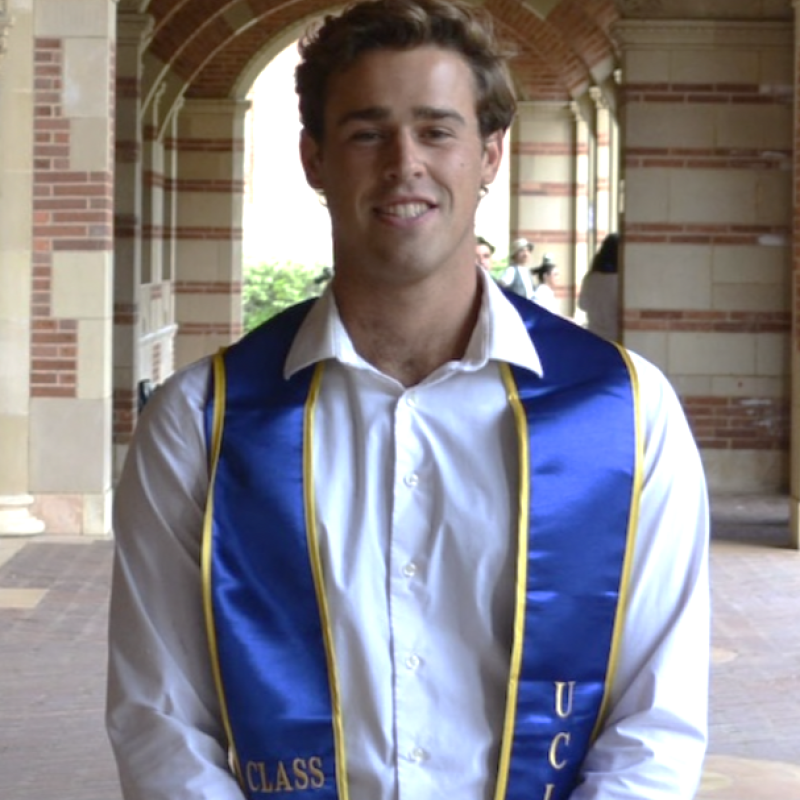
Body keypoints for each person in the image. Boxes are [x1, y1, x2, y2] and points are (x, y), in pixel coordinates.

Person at [105, 2, 710, 800]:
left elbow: (655, 719)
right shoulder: (200, 426)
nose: (404, 164)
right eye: (367, 133)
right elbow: (161, 720)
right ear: (314, 159)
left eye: (436, 130)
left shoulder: (625, 414)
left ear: (489, 154)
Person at [579, 232, 620, 340]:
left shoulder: (590, 278)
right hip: (615, 337)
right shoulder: (621, 282)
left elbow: (582, 305)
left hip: (594, 337)